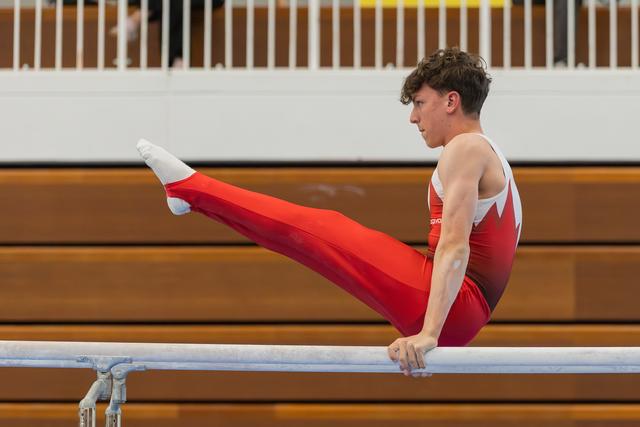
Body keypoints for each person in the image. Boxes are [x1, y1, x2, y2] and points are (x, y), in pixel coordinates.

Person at [136, 47, 522, 378]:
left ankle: (188, 188)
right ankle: (191, 196)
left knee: (316, 230)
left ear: (451, 101)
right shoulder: (488, 152)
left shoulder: (466, 149)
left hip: (454, 305)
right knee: (310, 238)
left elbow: (455, 247)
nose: (413, 118)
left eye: (420, 104)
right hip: (459, 304)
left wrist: (430, 334)